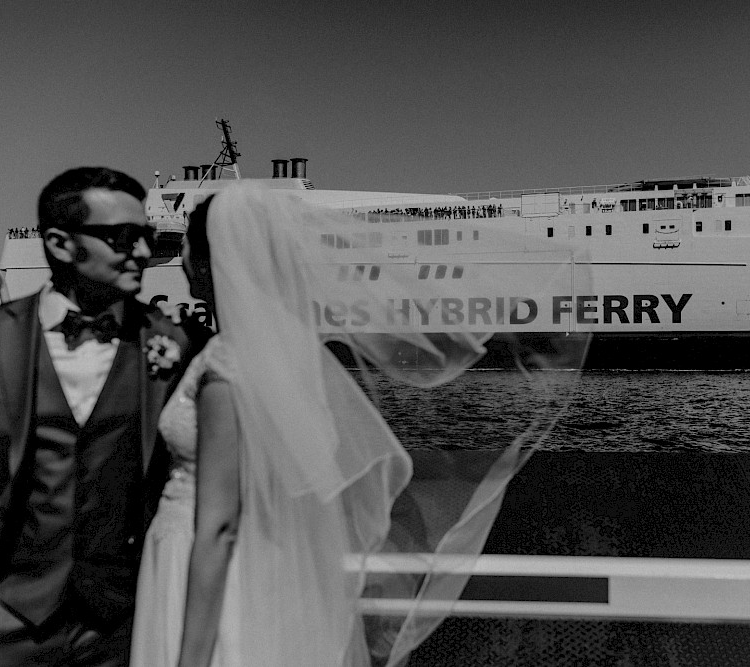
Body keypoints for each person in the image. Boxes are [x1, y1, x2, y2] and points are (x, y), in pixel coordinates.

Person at [131, 183, 591, 666]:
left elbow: (220, 525)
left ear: (212, 260)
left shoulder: (226, 362)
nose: (177, 260)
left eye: (184, 247)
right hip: (281, 574)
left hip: (202, 566)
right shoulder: (296, 357)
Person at [0, 167, 207, 666]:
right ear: (61, 244)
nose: (145, 251)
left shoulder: (179, 345)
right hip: (0, 627)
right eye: (124, 237)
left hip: (130, 628)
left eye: (147, 236)